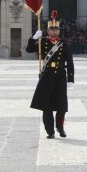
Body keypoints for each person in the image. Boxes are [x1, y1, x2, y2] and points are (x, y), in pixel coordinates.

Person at [26, 10, 74, 139]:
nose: (54, 31)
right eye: (52, 29)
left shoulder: (63, 44)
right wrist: (34, 38)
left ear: (59, 30)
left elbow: (69, 61)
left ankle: (60, 127)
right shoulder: (43, 42)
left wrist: (71, 79)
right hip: (47, 76)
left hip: (60, 76)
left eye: (56, 29)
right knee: (46, 105)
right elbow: (29, 49)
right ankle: (50, 131)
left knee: (62, 105)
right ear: (48, 31)